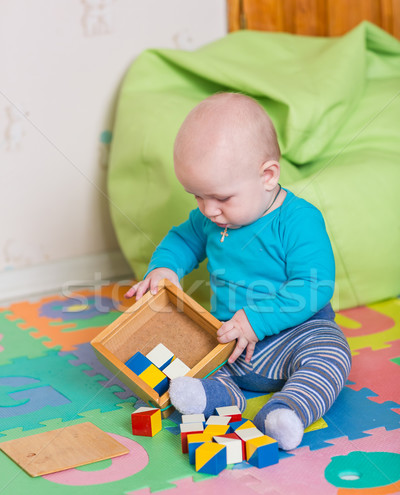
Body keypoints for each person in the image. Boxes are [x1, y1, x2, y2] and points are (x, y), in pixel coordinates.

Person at [125, 92, 352, 450]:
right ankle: (210, 396)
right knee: (186, 355)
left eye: (221, 198)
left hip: (296, 335)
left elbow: (313, 285)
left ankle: (287, 411)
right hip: (226, 340)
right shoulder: (208, 218)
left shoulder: (299, 220)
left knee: (332, 351)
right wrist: (165, 268)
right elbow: (181, 240)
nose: (208, 210)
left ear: (267, 176)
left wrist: (257, 320)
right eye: (196, 196)